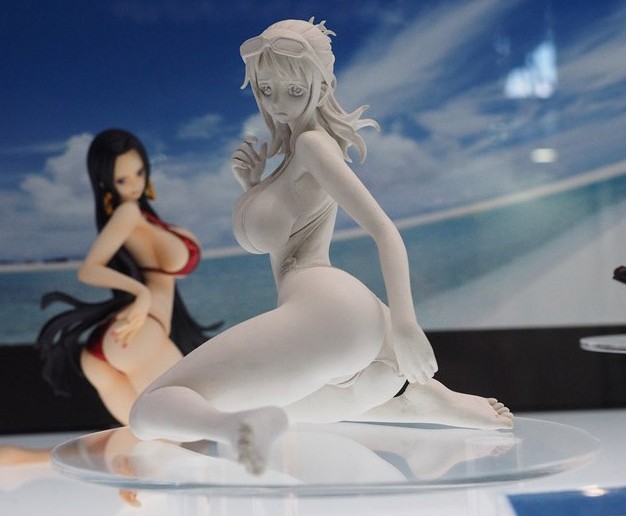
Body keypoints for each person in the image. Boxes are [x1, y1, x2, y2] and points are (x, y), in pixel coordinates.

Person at [129, 19, 512, 476]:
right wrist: (253, 187)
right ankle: (419, 404)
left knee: (149, 409)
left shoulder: (313, 145)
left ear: (323, 85)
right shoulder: (292, 157)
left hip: (329, 311)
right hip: (358, 340)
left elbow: (384, 230)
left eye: (294, 90)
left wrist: (408, 327)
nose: (277, 102)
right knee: (288, 409)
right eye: (266, 88)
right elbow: (288, 234)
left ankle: (233, 429)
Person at [36, 128, 219, 424]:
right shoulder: (128, 213)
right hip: (139, 331)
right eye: (122, 180)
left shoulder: (143, 218)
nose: (134, 185)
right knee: (187, 429)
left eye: (139, 172)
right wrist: (142, 293)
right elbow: (89, 269)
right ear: (105, 183)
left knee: (146, 439)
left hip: (114, 342)